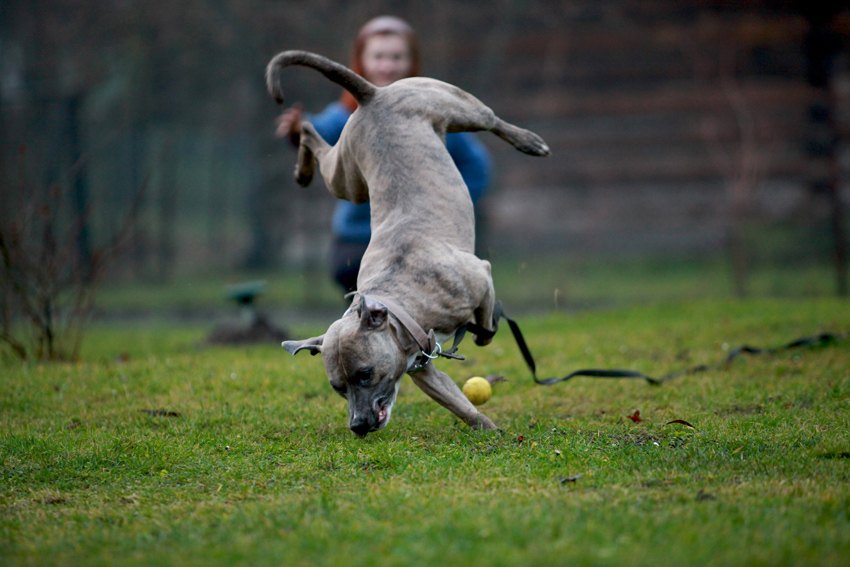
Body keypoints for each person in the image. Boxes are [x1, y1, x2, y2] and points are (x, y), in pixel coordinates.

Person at [275, 15, 492, 292]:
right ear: (360, 63)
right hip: (359, 241)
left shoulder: (434, 115)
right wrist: (298, 131)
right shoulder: (348, 115)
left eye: (396, 57)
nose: (387, 66)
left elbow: (477, 167)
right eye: (378, 56)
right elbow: (319, 132)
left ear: (412, 63)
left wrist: (448, 205)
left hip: (420, 241)